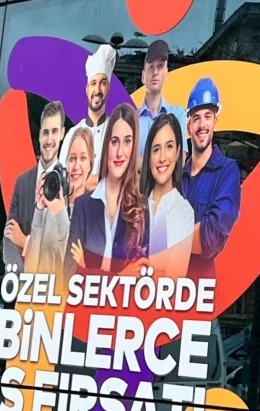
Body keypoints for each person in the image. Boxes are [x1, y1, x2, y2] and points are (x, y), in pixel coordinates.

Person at [68, 105, 145, 273]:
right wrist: (120, 278)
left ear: (134, 147)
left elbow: (144, 278)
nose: (119, 153)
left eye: (127, 141)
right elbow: (68, 273)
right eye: (114, 141)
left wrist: (85, 269)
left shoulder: (142, 209)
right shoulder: (83, 206)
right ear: (106, 145)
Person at [183, 78, 240, 281]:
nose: (202, 125)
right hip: (167, 288)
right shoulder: (176, 176)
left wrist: (164, 243)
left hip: (201, 291)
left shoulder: (227, 172)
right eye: (196, 118)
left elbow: (212, 236)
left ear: (215, 121)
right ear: (189, 126)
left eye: (207, 116)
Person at [3, 102, 67, 272]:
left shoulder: (70, 183)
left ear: (62, 133)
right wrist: (26, 278)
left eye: (54, 132)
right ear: (39, 136)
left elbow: (67, 249)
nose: (49, 140)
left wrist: (25, 242)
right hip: (23, 283)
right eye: (45, 132)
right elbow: (9, 240)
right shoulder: (22, 183)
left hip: (58, 284)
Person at [23, 123, 86, 280]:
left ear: (92, 163)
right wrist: (39, 210)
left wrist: (60, 214)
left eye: (83, 158)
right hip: (42, 294)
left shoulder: (95, 214)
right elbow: (30, 270)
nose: (76, 166)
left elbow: (72, 269)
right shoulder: (50, 211)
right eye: (72, 159)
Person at [140, 112, 195, 280]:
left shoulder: (184, 212)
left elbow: (173, 280)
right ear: (149, 158)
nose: (162, 157)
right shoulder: (133, 206)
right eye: (156, 149)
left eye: (169, 147)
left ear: (178, 153)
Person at [136, 39, 186, 157]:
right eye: (151, 66)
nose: (155, 72)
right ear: (143, 76)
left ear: (166, 73)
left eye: (160, 66)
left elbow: (181, 159)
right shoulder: (133, 119)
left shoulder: (177, 114)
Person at [82, 44, 117, 180]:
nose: (97, 90)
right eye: (93, 83)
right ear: (87, 89)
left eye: (103, 83)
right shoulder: (73, 134)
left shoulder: (116, 132)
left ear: (108, 87)